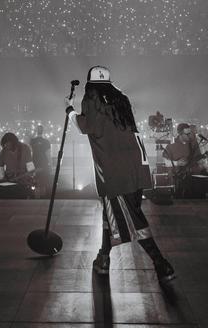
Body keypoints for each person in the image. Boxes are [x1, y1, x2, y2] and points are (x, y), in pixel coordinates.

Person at [65, 65, 175, 284]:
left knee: (133, 220)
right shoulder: (121, 100)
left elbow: (87, 126)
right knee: (112, 214)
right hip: (136, 167)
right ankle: (103, 259)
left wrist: (70, 112)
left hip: (115, 172)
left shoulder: (91, 97)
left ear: (90, 83)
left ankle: (161, 264)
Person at [30, 125, 52, 197]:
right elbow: (48, 155)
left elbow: (30, 154)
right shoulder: (46, 142)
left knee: (36, 182)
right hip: (44, 164)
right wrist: (50, 165)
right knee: (43, 182)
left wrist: (29, 167)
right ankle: (43, 199)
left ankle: (37, 198)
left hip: (35, 164)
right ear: (43, 131)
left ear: (37, 131)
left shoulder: (32, 141)